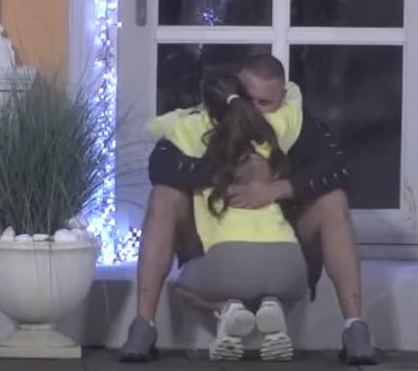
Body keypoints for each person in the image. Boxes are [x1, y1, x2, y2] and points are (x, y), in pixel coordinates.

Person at [119, 54, 377, 365]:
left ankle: (355, 328)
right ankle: (143, 325)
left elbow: (340, 169)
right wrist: (224, 177)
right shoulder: (208, 118)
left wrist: (277, 188)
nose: (252, 110)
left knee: (333, 200)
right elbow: (160, 165)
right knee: (164, 195)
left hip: (281, 241)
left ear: (282, 98)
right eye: (246, 98)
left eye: (264, 103)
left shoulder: (289, 123)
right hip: (209, 241)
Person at [146, 70, 307, 360]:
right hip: (291, 265)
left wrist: (193, 112)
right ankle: (273, 306)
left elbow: (153, 128)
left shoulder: (191, 130)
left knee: (179, 283)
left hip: (228, 263)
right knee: (281, 287)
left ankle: (227, 308)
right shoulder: (272, 128)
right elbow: (294, 98)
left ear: (206, 103)